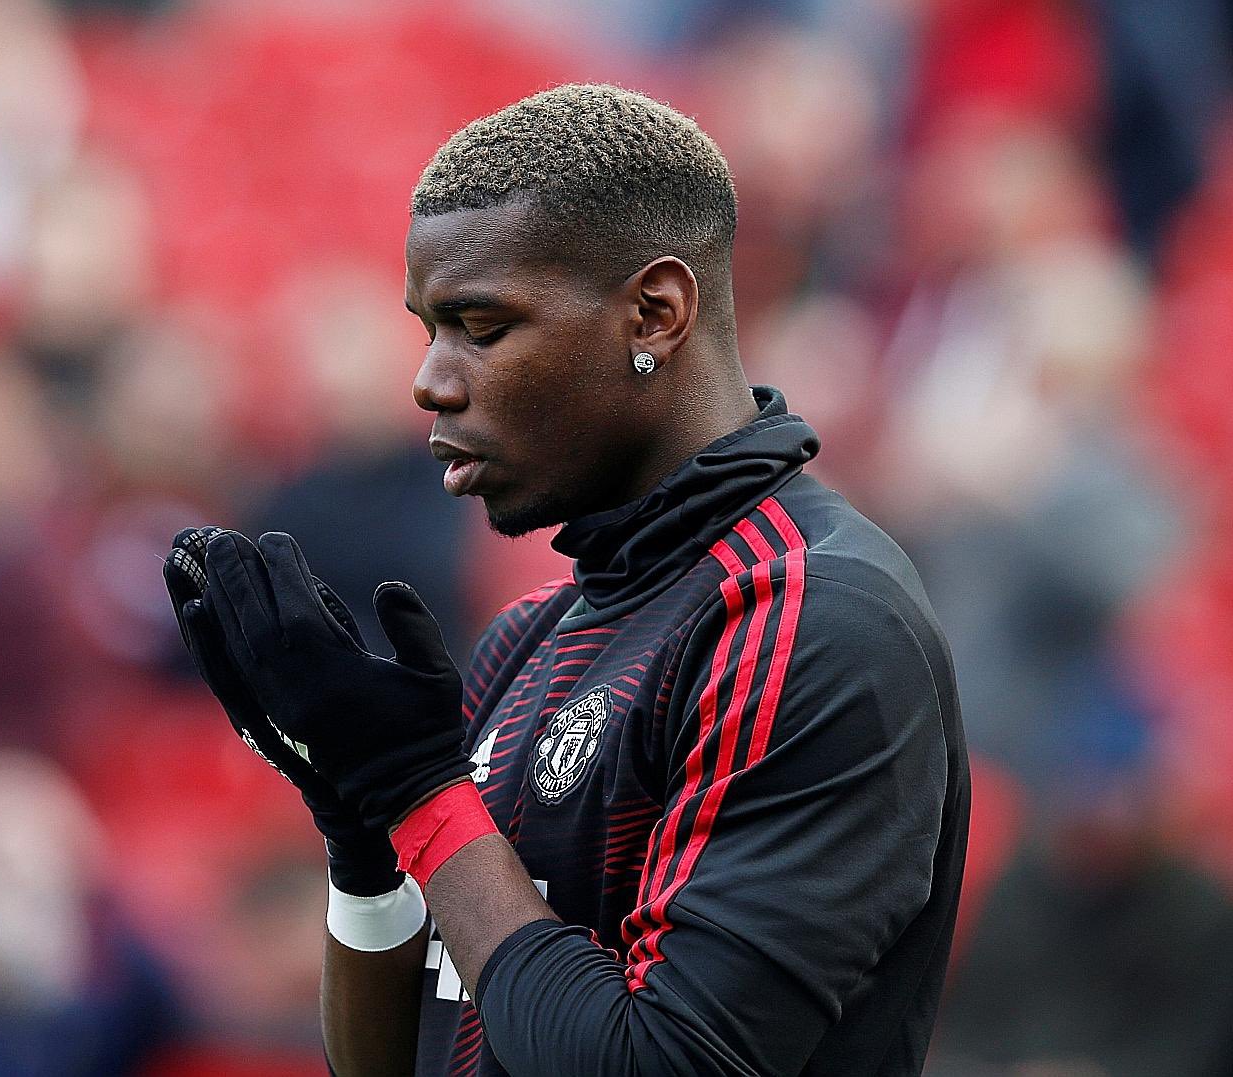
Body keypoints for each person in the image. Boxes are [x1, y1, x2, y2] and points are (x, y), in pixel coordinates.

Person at [163, 84, 970, 1077]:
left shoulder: (809, 615)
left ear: (655, 314)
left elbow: (662, 1065)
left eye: (481, 326)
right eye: (428, 329)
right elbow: (408, 1061)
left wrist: (420, 792)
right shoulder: (526, 638)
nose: (431, 380)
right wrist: (362, 827)